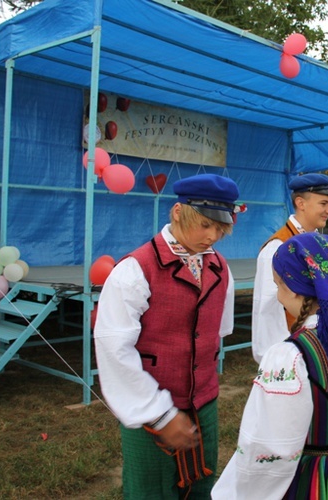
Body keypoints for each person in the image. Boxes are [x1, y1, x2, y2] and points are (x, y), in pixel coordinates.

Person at [213, 233, 328, 499]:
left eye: (278, 285)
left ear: (295, 287)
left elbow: (271, 450)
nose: (278, 296)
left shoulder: (291, 357)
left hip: (312, 484)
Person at [94, 173, 239, 498]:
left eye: (220, 228)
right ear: (177, 212)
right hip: (149, 407)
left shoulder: (219, 268)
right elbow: (114, 350)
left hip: (204, 404)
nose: (213, 235)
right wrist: (159, 413)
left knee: (201, 486)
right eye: (205, 224)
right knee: (152, 491)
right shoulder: (135, 270)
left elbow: (219, 330)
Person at [251, 173, 328, 364]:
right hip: (293, 354)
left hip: (320, 347)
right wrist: (277, 359)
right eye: (324, 203)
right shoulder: (276, 248)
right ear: (301, 203)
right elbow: (267, 310)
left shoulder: (321, 244)